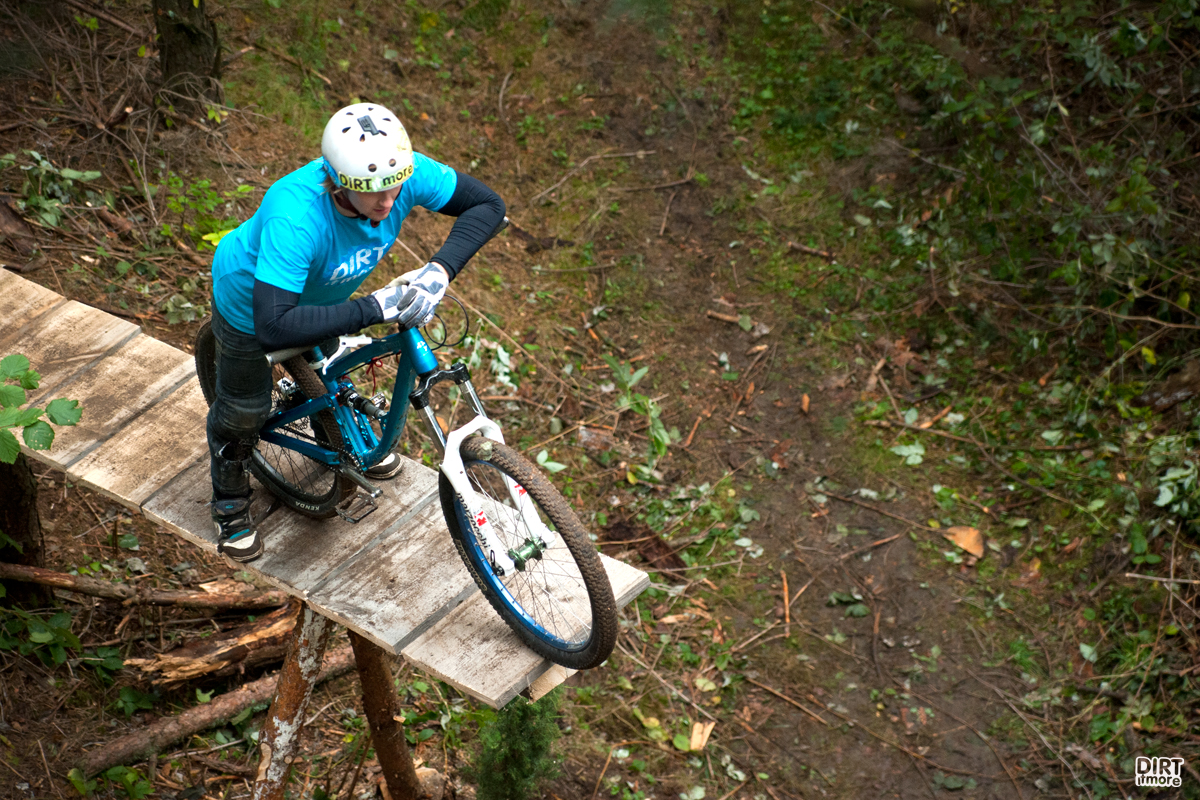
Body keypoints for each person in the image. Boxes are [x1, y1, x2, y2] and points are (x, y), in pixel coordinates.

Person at [206, 102, 505, 562]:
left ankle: (335, 435)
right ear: (338, 181)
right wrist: (372, 308)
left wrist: (440, 270)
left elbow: (488, 205)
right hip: (251, 304)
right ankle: (229, 503)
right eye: (371, 192)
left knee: (331, 371)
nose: (387, 202)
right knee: (245, 411)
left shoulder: (396, 170)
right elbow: (274, 327)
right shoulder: (295, 215)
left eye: (395, 187)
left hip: (321, 299)